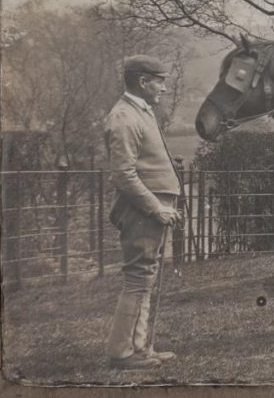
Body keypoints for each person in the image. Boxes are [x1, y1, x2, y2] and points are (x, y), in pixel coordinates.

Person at [104, 55, 181, 370]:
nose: (164, 86)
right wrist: (156, 208)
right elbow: (123, 175)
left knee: (146, 278)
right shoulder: (123, 117)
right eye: (159, 80)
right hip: (143, 210)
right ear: (142, 81)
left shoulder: (141, 112)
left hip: (154, 209)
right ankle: (122, 352)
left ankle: (141, 348)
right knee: (138, 279)